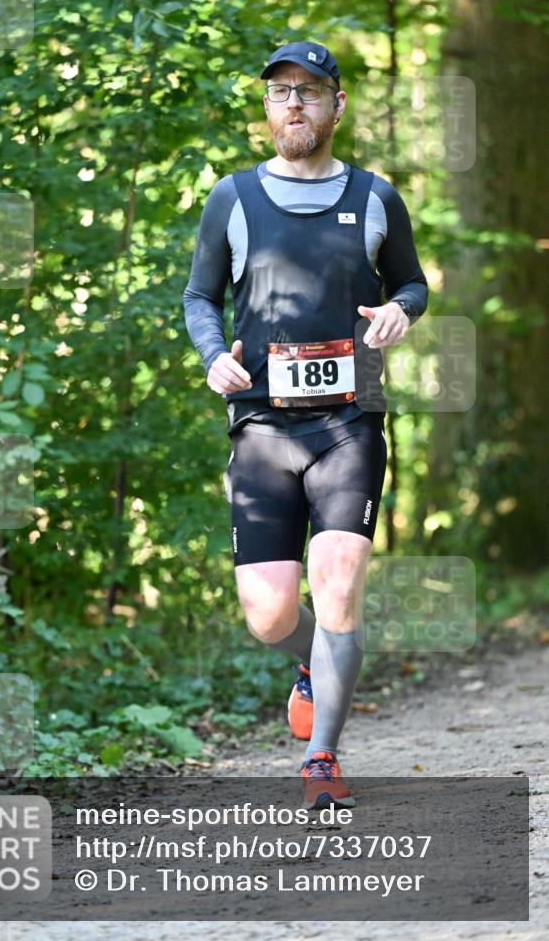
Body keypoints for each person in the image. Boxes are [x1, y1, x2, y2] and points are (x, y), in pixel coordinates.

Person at [183, 41, 428, 808]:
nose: (294, 104)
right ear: (266, 109)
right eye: (280, 92)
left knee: (340, 584)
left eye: (310, 91)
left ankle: (322, 757)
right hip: (260, 426)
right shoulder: (232, 197)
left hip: (349, 422)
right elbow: (199, 299)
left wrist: (397, 311)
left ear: (336, 105)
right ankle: (307, 661)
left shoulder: (375, 197)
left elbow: (411, 283)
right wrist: (211, 356)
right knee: (270, 615)